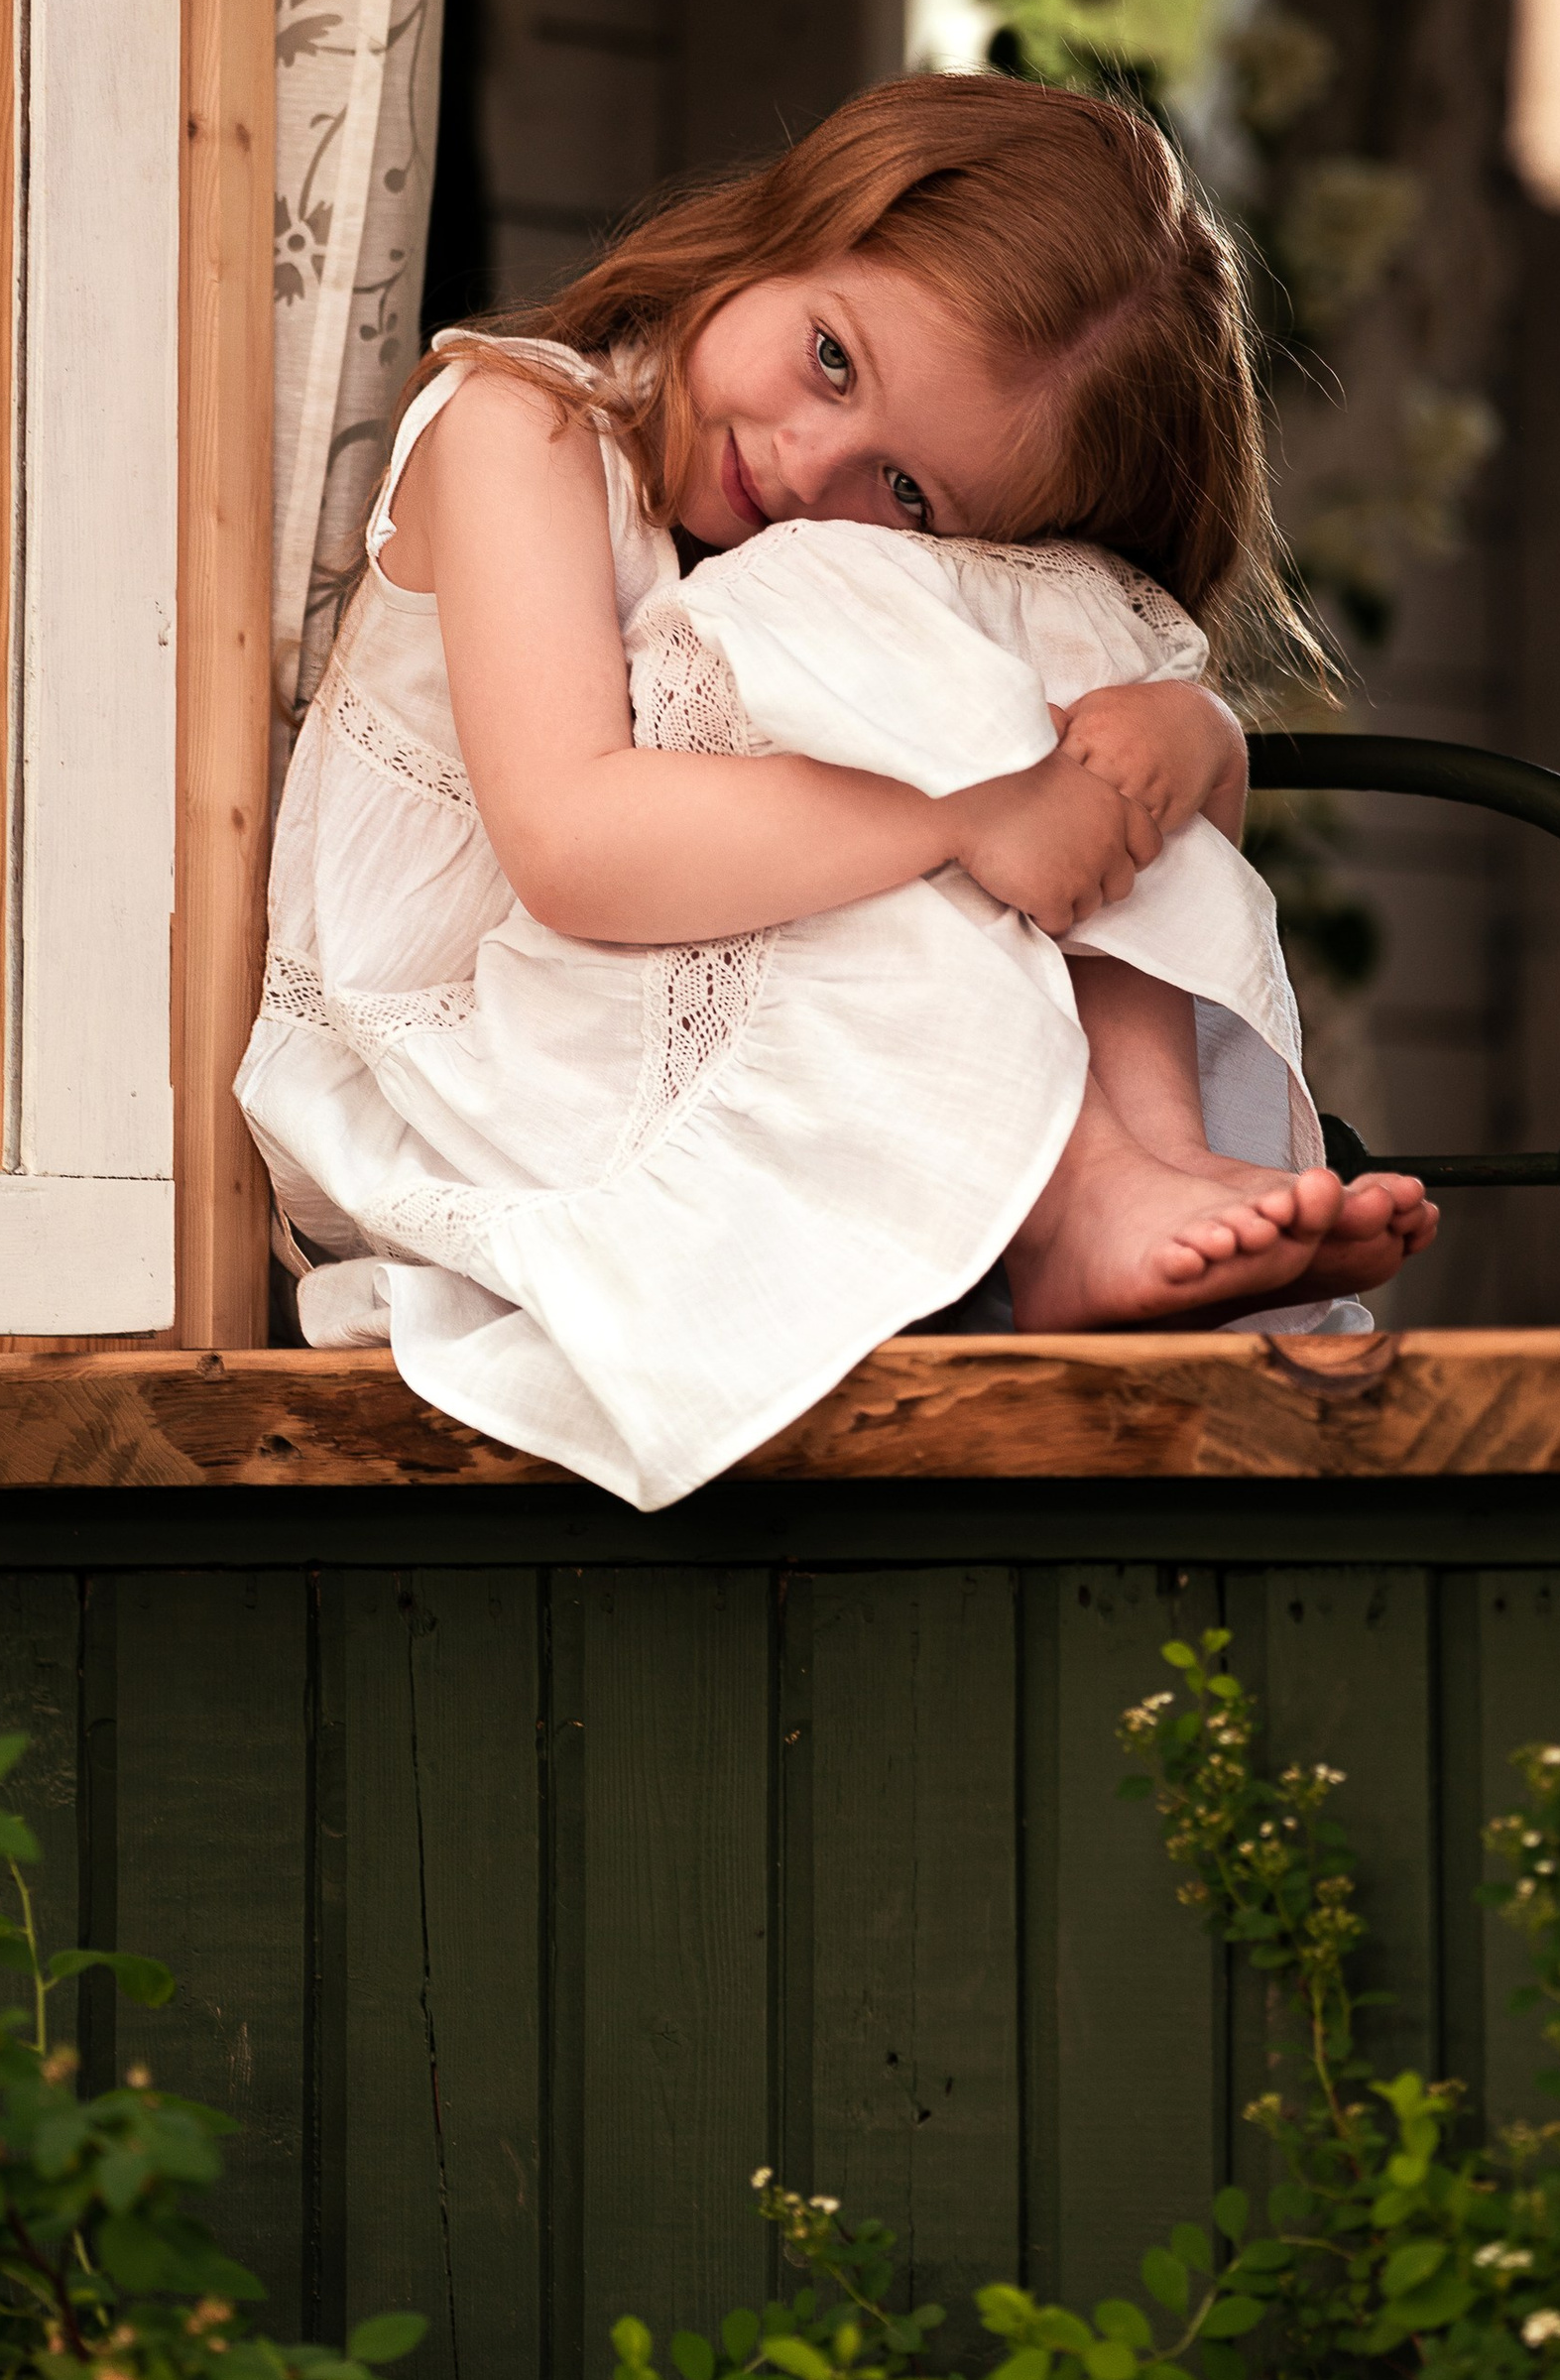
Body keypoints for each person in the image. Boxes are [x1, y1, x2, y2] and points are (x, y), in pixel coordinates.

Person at [238, 73, 1437, 1508]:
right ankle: (1072, 1205)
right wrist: (973, 813)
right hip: (469, 1063)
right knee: (934, 710)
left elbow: (1061, 738)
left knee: (1078, 617)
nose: (810, 466)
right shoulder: (520, 428)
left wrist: (1188, 734)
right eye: (831, 357)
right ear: (794, 221)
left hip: (646, 1018)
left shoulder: (789, 545)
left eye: (911, 490)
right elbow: (572, 844)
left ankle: (1155, 1155)